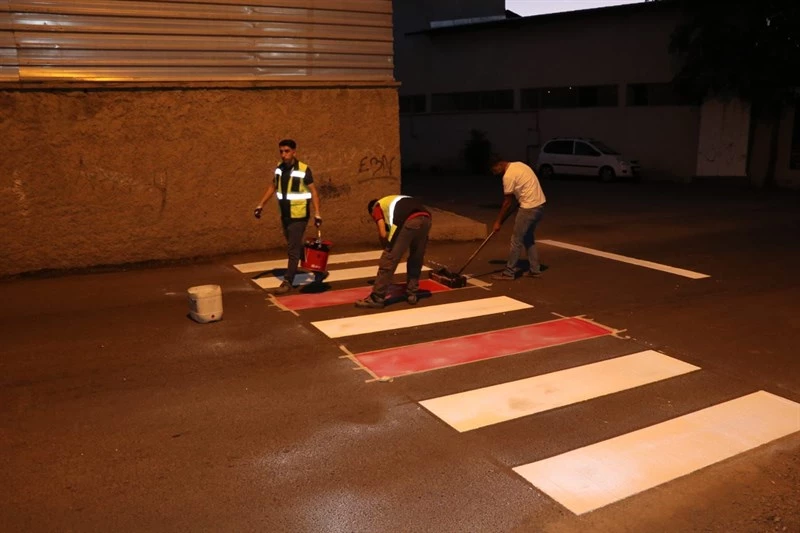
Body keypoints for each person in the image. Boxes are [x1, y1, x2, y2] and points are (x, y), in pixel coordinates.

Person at [253, 139, 322, 294]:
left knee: (292, 248)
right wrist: (260, 205)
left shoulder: (304, 169)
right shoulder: (279, 168)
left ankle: (288, 281)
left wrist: (317, 213)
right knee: (294, 245)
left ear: (294, 152)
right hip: (285, 214)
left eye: (287, 151)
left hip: (299, 216)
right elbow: (273, 186)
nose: (283, 155)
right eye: (281, 151)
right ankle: (313, 263)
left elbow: (313, 192)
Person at [355, 195, 432, 309]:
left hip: (410, 222)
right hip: (426, 220)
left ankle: (377, 297)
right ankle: (412, 293)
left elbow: (383, 233)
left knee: (389, 260)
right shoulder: (396, 200)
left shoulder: (377, 207)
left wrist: (387, 248)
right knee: (416, 258)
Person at [489, 154, 546, 281]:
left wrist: (498, 222)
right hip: (539, 206)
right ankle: (535, 270)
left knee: (516, 240)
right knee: (528, 238)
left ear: (500, 163)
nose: (494, 173)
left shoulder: (508, 176)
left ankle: (509, 272)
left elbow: (507, 202)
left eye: (494, 170)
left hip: (528, 208)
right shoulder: (519, 165)